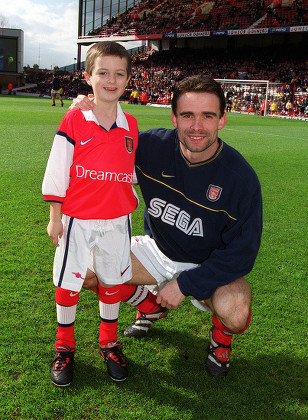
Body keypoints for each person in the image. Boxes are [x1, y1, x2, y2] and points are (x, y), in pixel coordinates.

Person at [71, 75, 263, 379]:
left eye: (207, 116)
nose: (196, 126)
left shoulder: (241, 179)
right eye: (187, 115)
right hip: (158, 250)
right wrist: (84, 116)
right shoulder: (151, 146)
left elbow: (243, 255)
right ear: (174, 117)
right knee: (84, 268)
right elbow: (99, 155)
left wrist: (186, 285)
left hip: (209, 263)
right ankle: (149, 306)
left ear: (222, 120)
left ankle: (220, 341)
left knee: (236, 312)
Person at [42, 41, 164, 387]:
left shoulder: (132, 126)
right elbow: (57, 170)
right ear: (88, 77)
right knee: (69, 286)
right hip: (77, 219)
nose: (111, 80)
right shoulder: (75, 119)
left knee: (112, 281)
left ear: (128, 80)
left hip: (117, 220)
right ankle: (64, 348)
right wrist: (55, 217)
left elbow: (133, 172)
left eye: (119, 74)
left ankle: (108, 343)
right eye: (103, 73)